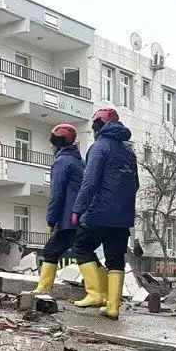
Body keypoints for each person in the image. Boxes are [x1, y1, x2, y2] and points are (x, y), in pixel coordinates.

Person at [68, 107, 139, 318]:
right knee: (115, 259)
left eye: (94, 125)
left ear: (99, 125)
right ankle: (113, 306)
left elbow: (89, 182)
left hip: (100, 212)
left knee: (81, 247)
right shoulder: (128, 151)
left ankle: (95, 293)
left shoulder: (99, 147)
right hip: (123, 216)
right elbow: (135, 184)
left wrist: (78, 209)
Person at [33, 123, 85, 293]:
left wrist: (51, 219)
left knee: (50, 251)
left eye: (53, 143)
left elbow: (57, 194)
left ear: (59, 143)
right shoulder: (79, 161)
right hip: (81, 217)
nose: (51, 146)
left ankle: (42, 290)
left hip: (68, 219)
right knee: (84, 253)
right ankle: (101, 292)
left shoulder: (62, 162)